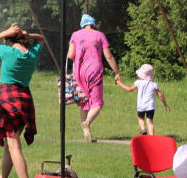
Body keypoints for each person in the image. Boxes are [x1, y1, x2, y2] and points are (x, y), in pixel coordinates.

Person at [0, 24, 44, 178]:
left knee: (14, 145)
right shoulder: (32, 52)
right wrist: (26, 33)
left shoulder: (8, 52)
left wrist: (5, 31)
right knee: (11, 144)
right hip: (25, 99)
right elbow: (41, 39)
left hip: (8, 99)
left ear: (9, 39)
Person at [67, 14, 120, 142]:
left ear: (82, 24)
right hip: (94, 70)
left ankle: (86, 132)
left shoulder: (75, 35)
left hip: (79, 72)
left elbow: (70, 55)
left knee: (84, 102)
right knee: (97, 103)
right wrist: (117, 72)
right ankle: (87, 122)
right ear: (93, 24)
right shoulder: (100, 35)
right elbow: (109, 57)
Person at [116, 63, 170, 136]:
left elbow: (129, 89)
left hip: (141, 105)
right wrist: (166, 105)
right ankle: (151, 138)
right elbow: (160, 95)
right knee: (150, 122)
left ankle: (143, 130)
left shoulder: (138, 82)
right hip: (150, 106)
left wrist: (120, 83)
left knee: (141, 118)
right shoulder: (153, 84)